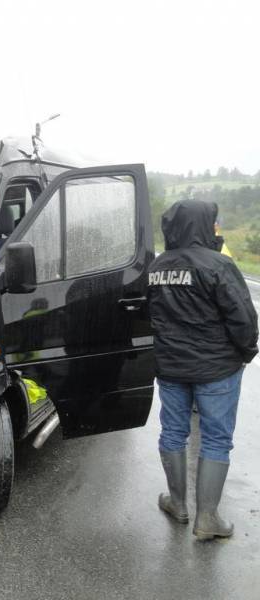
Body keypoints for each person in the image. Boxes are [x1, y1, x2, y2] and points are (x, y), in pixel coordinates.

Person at [148, 199, 258, 541]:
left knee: (172, 432)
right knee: (215, 439)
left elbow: (146, 313)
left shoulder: (156, 268)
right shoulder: (220, 265)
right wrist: (247, 351)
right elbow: (242, 317)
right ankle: (207, 517)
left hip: (171, 367)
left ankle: (178, 504)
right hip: (217, 369)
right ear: (204, 225)